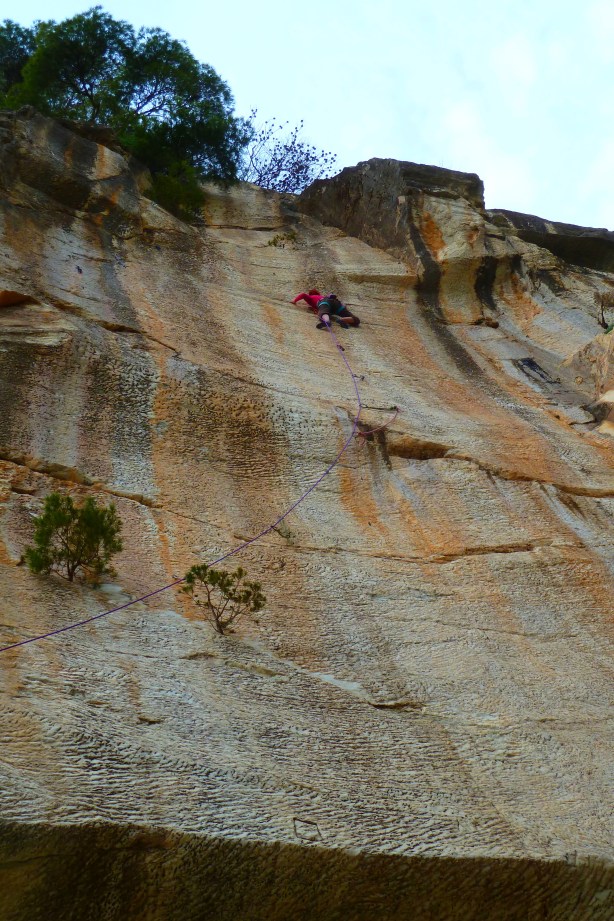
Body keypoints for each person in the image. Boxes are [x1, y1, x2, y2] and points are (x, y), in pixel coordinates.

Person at [291, 289, 360, 330]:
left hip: (325, 302)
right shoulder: (322, 296)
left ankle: (327, 321)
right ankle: (342, 320)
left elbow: (303, 295)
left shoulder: (311, 297)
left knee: (323, 312)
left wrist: (294, 300)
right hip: (337, 304)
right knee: (356, 320)